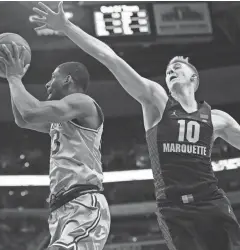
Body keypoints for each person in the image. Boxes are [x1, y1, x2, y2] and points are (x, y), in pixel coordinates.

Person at [29, 2, 240, 250]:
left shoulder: (218, 118)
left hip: (211, 200)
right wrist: (67, 27)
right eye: (168, 69)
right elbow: (110, 58)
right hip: (174, 207)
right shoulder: (156, 100)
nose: (171, 70)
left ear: (194, 78)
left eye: (177, 68)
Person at [0, 43, 110, 250]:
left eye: (53, 77)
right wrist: (13, 80)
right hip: (61, 209)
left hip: (83, 203)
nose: (48, 84)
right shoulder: (61, 120)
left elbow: (31, 112)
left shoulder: (83, 102)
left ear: (68, 79)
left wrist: (14, 78)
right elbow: (23, 119)